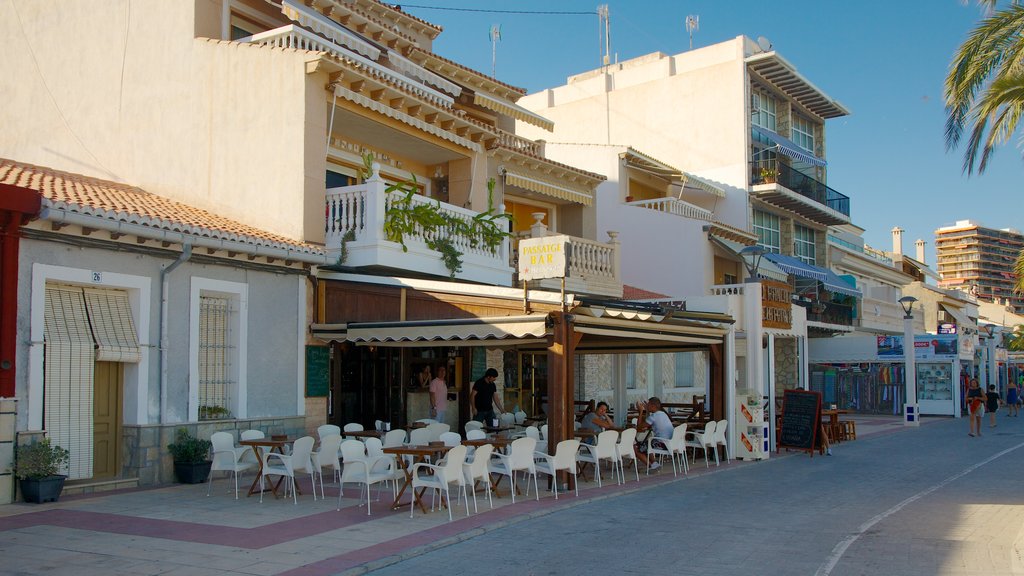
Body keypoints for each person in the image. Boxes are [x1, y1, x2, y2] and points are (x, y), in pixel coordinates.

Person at [633, 397, 673, 471]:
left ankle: (650, 466)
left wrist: (641, 411)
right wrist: (647, 411)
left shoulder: (654, 416)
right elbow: (648, 422)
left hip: (662, 444)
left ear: (652, 406)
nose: (646, 406)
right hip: (670, 443)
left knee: (636, 448)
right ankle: (654, 464)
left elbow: (639, 427)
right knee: (646, 444)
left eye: (647, 405)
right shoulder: (663, 414)